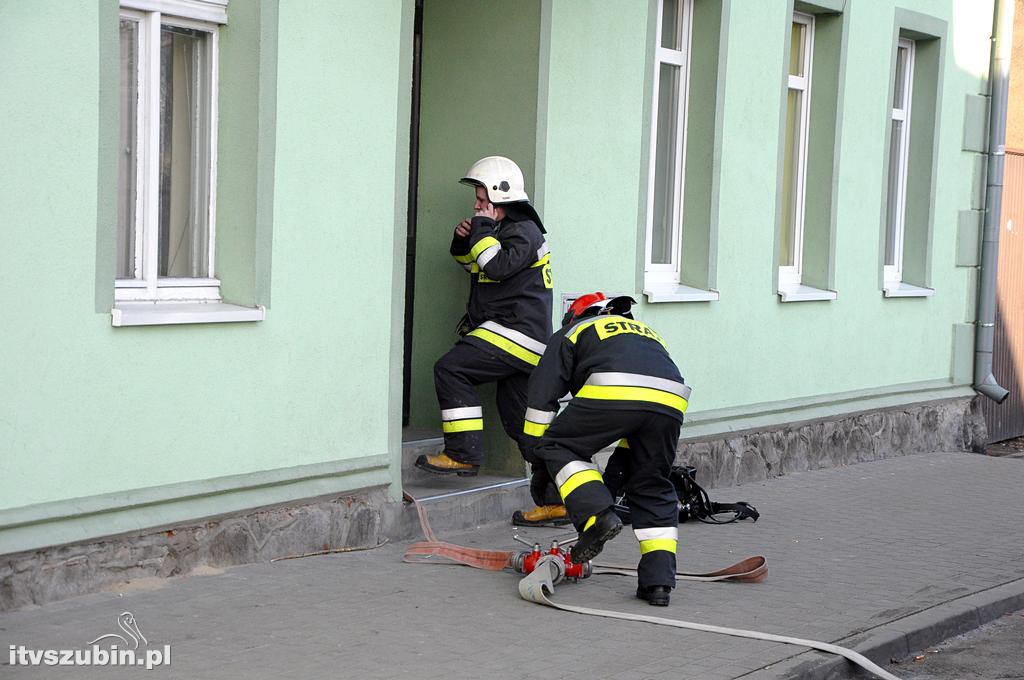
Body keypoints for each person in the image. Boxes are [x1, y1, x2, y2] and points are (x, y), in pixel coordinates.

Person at [415, 156, 564, 526]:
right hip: (521, 339)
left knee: (451, 369)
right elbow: (475, 265)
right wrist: (463, 238)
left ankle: (463, 454)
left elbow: (496, 267)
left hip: (515, 334)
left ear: (501, 198)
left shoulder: (523, 231)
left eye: (482, 201)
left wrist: (481, 228)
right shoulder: (502, 233)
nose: (477, 206)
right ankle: (557, 502)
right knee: (522, 427)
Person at [523, 292, 691, 605]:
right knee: (651, 485)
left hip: (614, 387)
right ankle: (658, 585)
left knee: (560, 444)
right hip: (671, 400)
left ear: (575, 315)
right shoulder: (646, 334)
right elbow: (638, 419)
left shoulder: (571, 332)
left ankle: (596, 517)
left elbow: (542, 398)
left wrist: (538, 455)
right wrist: (612, 482)